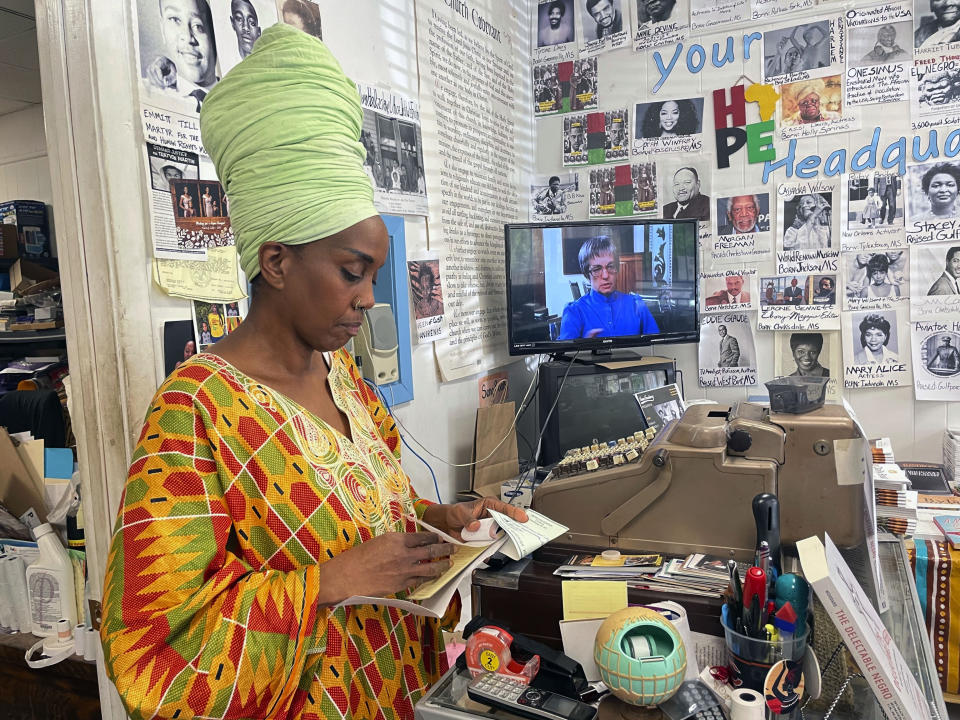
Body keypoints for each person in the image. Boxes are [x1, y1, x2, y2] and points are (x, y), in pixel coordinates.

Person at [101, 26, 527, 720]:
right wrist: (324, 584)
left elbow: (369, 521)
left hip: (405, 698)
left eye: (374, 276)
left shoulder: (348, 386)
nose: (367, 297)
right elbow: (151, 655)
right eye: (352, 273)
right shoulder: (196, 413)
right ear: (276, 262)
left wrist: (441, 523)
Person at [558, 236, 659, 339]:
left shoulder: (636, 305)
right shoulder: (575, 311)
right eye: (597, 269)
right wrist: (583, 345)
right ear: (586, 274)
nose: (606, 275)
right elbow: (563, 353)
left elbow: (656, 345)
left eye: (610, 266)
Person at [145, 0, 218, 111]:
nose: (188, 37)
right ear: (162, 29)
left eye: (198, 26)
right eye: (175, 20)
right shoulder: (150, 93)